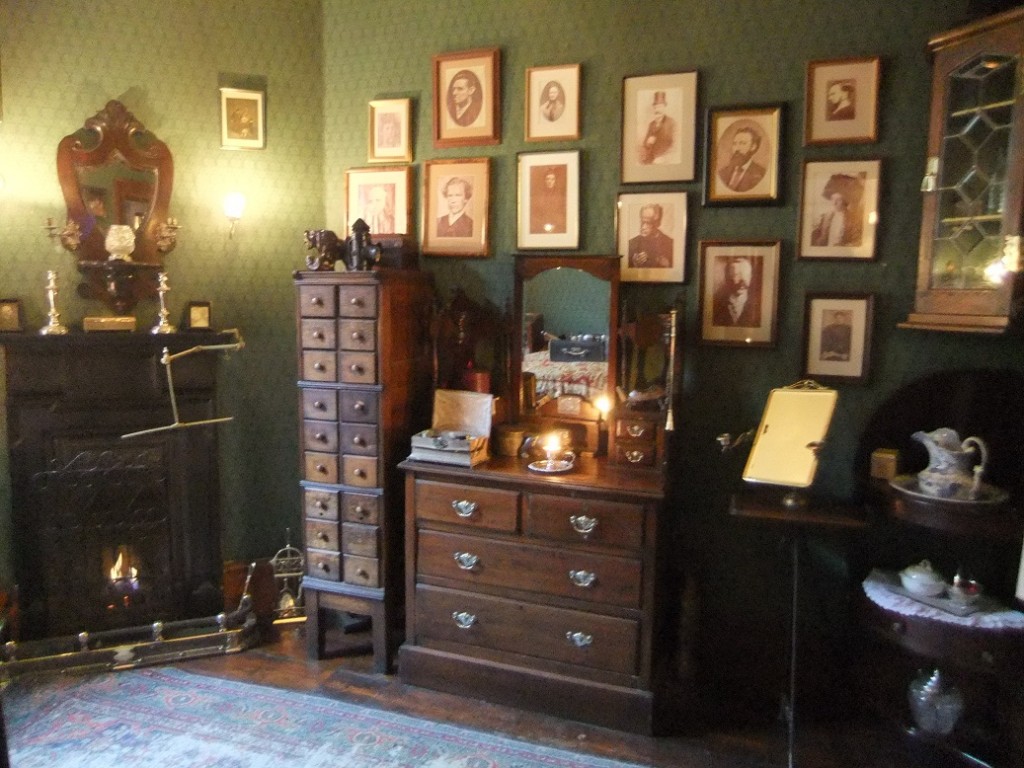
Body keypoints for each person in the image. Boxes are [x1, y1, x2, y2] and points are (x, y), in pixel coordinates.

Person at [810, 174, 863, 246]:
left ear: (845, 201)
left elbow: (857, 242)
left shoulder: (854, 220)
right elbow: (820, 238)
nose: (834, 203)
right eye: (832, 199)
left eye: (838, 200)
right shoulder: (826, 217)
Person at [711, 256, 761, 327]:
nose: (743, 282)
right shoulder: (716, 306)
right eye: (737, 275)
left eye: (746, 275)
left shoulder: (757, 305)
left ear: (751, 276)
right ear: (727, 278)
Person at [717, 126, 766, 193]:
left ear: (753, 147)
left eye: (742, 143)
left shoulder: (760, 174)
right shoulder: (722, 173)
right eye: (734, 144)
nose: (737, 149)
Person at [627, 203, 674, 268]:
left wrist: (665, 264)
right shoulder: (631, 244)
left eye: (648, 223)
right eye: (642, 222)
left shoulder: (670, 243)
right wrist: (634, 264)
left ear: (658, 223)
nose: (643, 227)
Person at [639, 90, 675, 165]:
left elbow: (674, 145)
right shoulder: (651, 124)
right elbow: (645, 143)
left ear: (664, 107)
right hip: (651, 159)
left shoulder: (671, 123)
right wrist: (648, 142)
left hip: (665, 159)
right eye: (656, 107)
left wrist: (663, 157)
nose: (658, 109)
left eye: (660, 106)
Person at [529, 167, 566, 234]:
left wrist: (555, 225)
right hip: (541, 226)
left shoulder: (560, 196)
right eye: (547, 179)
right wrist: (542, 225)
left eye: (552, 179)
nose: (550, 181)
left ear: (555, 181)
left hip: (557, 227)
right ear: (544, 181)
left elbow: (562, 214)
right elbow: (535, 214)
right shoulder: (538, 195)